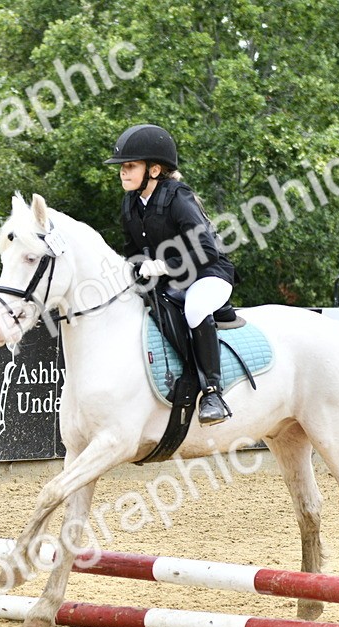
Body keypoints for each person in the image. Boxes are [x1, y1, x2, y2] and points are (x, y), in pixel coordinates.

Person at [104, 123, 236, 426]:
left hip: (208, 273)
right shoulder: (131, 202)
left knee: (196, 308)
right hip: (170, 280)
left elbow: (206, 249)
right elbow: (132, 251)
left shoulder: (178, 197)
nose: (123, 171)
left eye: (130, 166)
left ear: (154, 170)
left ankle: (213, 393)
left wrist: (163, 265)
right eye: (122, 166)